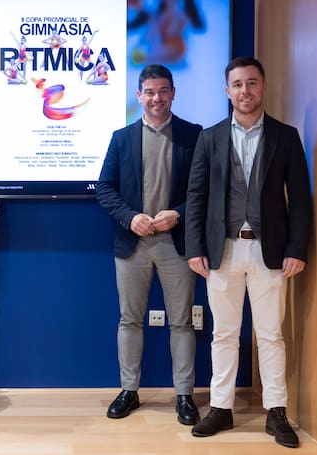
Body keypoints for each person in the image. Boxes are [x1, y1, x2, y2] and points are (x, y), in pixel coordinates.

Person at [185, 57, 312, 449]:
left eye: (252, 83)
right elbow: (196, 196)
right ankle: (221, 408)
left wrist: (296, 248)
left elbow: (300, 199)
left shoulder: (285, 136)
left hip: (269, 251)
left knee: (271, 334)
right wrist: (195, 248)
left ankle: (276, 412)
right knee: (223, 333)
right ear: (228, 91)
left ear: (263, 87)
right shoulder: (210, 137)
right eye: (238, 84)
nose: (245, 91)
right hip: (221, 250)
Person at [96, 64, 202, 424]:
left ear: (173, 93)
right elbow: (104, 188)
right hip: (133, 243)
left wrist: (178, 213)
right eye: (150, 92)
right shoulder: (122, 138)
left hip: (177, 243)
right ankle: (129, 390)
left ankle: (184, 395)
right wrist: (130, 217)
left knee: (182, 322)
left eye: (163, 91)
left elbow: (204, 190)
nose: (157, 98)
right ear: (139, 96)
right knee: (129, 320)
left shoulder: (193, 135)